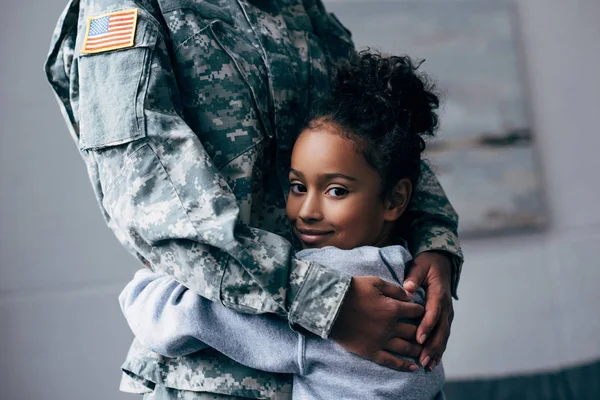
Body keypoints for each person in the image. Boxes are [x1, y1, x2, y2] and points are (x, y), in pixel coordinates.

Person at [44, 1, 462, 398]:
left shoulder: (299, 8)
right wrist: (323, 300)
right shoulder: (127, 7)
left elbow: (378, 133)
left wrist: (435, 242)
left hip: (347, 341)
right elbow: (148, 191)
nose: (308, 208)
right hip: (217, 378)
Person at [121, 51, 448, 400]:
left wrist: (155, 277)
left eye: (336, 191)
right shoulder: (411, 281)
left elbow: (168, 317)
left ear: (396, 199)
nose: (307, 211)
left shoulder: (337, 290)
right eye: (297, 187)